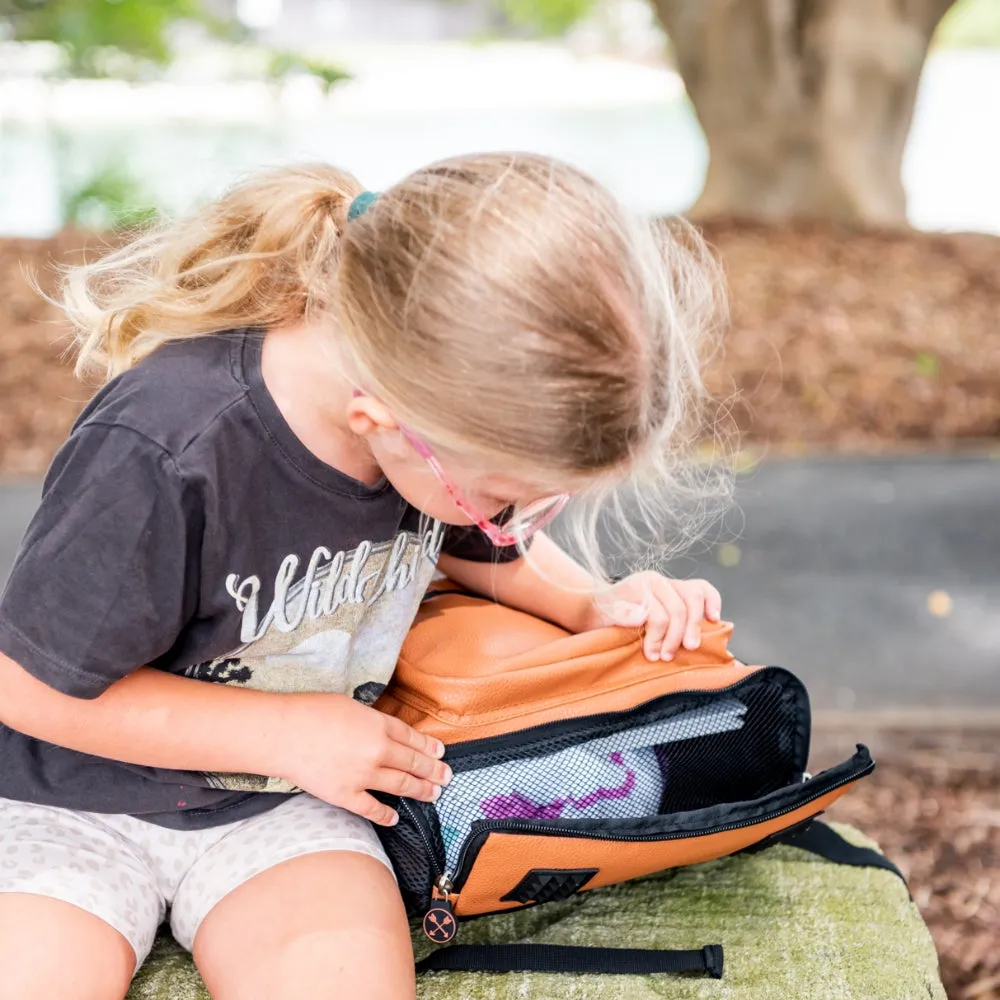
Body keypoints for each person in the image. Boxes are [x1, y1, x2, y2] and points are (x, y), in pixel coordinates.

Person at [0, 154, 727, 1000]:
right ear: (380, 418)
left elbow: (465, 537)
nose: (507, 525)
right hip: (68, 805)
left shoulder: (418, 433)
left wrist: (589, 603)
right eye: (501, 499)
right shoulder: (166, 447)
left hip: (285, 808)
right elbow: (28, 687)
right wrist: (286, 736)